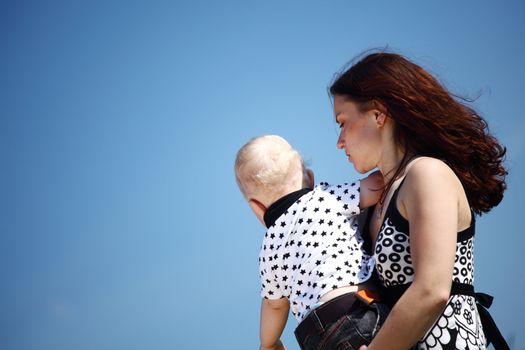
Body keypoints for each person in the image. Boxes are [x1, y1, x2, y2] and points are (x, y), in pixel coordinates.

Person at [329, 51, 509, 350]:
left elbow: (432, 290)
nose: (339, 141)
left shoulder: (427, 174)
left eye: (342, 122)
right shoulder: (376, 202)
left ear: (378, 113)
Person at [234, 135, 389, 350]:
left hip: (313, 338)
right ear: (310, 177)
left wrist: (268, 344)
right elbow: (378, 186)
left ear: (256, 208)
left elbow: (274, 305)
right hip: (354, 310)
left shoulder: (268, 249)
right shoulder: (325, 197)